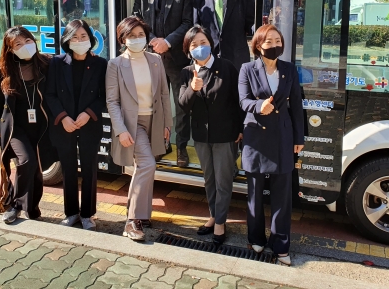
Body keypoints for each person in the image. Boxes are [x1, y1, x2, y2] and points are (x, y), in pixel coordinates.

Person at [238, 24, 305, 266]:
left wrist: (299, 138)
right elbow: (243, 100)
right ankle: (255, 238)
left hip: (283, 137)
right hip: (256, 138)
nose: (274, 45)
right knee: (255, 194)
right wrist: (259, 106)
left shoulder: (288, 69)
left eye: (278, 41)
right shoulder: (247, 69)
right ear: (258, 45)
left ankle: (281, 245)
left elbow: (296, 104)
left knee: (282, 196)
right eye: (269, 42)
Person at [106, 16, 172, 242]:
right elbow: (112, 101)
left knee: (145, 167)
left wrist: (167, 123)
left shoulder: (155, 60)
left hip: (154, 121)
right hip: (132, 124)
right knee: (147, 164)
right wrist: (120, 129)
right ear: (122, 39)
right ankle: (132, 221)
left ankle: (142, 214)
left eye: (140, 35)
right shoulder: (115, 64)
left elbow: (164, 94)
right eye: (131, 36)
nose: (137, 39)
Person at [178, 25, 243, 245]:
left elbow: (238, 101)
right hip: (201, 136)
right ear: (188, 50)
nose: (199, 47)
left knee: (223, 180)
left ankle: (220, 223)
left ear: (211, 44)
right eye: (194, 45)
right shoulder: (187, 72)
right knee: (209, 179)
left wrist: (240, 129)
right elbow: (183, 105)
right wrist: (192, 88)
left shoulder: (227, 67)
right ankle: (214, 215)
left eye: (203, 42)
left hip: (225, 134)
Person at [132, 0, 194, 167]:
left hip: (178, 58)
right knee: (155, 104)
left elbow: (188, 22)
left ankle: (182, 147)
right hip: (151, 58)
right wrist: (153, 41)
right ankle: (159, 144)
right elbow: (137, 21)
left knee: (181, 104)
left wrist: (167, 42)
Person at [45, 19, 107, 231]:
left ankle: (88, 214)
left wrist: (88, 114)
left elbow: (103, 96)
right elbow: (50, 94)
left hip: (89, 124)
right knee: (68, 168)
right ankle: (71, 213)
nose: (80, 41)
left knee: (89, 169)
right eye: (75, 37)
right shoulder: (57, 63)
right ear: (67, 40)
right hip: (65, 125)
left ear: (91, 38)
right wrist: (63, 117)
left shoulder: (100, 64)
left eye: (83, 36)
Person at [0, 26, 51, 224]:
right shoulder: (4, 70)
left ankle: (32, 208)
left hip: (41, 126)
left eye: (28, 41)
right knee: (26, 161)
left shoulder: (46, 63)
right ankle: (15, 206)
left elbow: (69, 61)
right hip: (15, 127)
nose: (25, 46)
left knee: (37, 169)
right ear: (10, 49)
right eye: (18, 44)